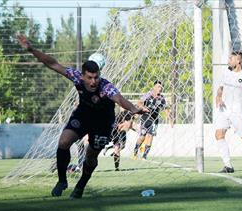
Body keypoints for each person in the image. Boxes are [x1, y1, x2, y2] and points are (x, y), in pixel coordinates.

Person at [17, 34, 148, 199]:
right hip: (83, 115)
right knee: (64, 141)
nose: (93, 82)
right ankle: (62, 181)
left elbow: (120, 99)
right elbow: (52, 63)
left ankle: (80, 186)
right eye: (90, 78)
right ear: (83, 75)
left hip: (102, 123)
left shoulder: (106, 87)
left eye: (96, 77)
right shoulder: (76, 77)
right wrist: (31, 49)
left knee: (90, 157)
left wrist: (134, 109)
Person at [214, 51, 242, 173]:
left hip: (239, 111)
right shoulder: (225, 73)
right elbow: (220, 88)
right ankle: (228, 165)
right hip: (224, 109)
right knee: (219, 134)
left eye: (231, 58)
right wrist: (219, 96)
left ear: (239, 61)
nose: (229, 60)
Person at [133, 80, 171, 160]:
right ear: (154, 87)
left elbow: (166, 108)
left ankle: (144, 156)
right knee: (142, 137)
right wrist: (143, 108)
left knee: (150, 136)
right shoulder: (148, 95)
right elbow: (139, 103)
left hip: (154, 120)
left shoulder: (161, 98)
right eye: (158, 87)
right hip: (145, 118)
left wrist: (169, 117)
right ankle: (135, 152)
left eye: (161, 87)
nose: (160, 88)